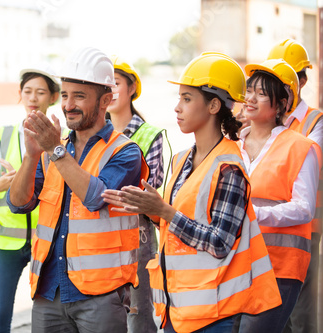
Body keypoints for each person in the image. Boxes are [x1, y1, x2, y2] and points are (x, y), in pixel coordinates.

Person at [102, 52, 282, 333]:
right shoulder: (182, 159)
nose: (177, 108)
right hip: (179, 308)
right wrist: (148, 208)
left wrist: (164, 210)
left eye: (187, 99)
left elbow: (220, 243)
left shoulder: (229, 168)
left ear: (213, 105)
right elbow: (177, 224)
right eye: (179, 98)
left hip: (215, 313)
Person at [7, 46, 149, 333]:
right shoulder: (50, 150)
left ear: (105, 100)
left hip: (100, 295)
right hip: (49, 291)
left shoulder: (125, 152)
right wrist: (32, 155)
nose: (68, 105)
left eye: (80, 96)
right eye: (66, 95)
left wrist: (55, 150)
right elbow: (18, 203)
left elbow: (96, 198)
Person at [234, 59, 321, 332]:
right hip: (235, 263)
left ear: (282, 104)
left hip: (279, 265)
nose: (250, 99)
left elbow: (305, 208)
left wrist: (256, 214)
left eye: (261, 93)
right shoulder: (231, 146)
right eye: (249, 91)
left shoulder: (300, 147)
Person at [0, 66, 59, 333]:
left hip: (46, 241)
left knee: (48, 316)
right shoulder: (3, 134)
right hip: (6, 240)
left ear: (53, 97)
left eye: (40, 92)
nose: (33, 97)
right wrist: (6, 183)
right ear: (20, 95)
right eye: (27, 91)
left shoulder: (62, 139)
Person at [266, 39, 323, 333]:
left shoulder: (314, 122)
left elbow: (301, 163)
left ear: (301, 80)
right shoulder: (260, 123)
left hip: (304, 231)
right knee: (272, 314)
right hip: (263, 233)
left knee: (302, 314)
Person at [106, 55, 166, 333]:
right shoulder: (90, 134)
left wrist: (102, 189)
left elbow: (147, 194)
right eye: (106, 84)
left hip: (137, 240)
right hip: (98, 240)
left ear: (132, 88)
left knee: (139, 319)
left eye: (116, 83)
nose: (111, 90)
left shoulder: (149, 135)